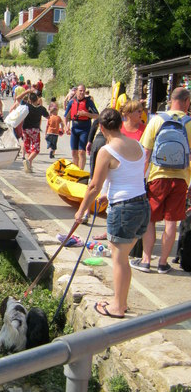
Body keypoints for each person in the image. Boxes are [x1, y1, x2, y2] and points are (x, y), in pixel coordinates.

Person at [75, 108, 150, 318]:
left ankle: (117, 306)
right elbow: (131, 173)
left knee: (119, 259)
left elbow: (94, 186)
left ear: (101, 127)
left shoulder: (106, 151)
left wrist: (81, 211)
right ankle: (121, 301)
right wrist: (110, 193)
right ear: (120, 124)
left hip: (124, 209)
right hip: (142, 205)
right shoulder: (136, 144)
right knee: (123, 259)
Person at [130, 87, 191, 274]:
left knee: (151, 220)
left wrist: (139, 178)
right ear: (187, 101)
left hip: (157, 177)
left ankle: (147, 260)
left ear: (170, 100)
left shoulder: (156, 120)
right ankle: (163, 263)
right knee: (171, 222)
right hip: (181, 179)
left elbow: (145, 152)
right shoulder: (190, 123)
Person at [64, 84, 99, 170]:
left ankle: (81, 171)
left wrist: (86, 114)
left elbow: (97, 116)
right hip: (74, 128)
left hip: (85, 129)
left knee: (81, 152)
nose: (82, 92)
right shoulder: (72, 102)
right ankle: (76, 170)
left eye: (83, 91)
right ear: (76, 91)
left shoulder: (89, 102)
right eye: (80, 91)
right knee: (73, 152)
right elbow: (65, 116)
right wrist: (66, 126)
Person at [20, 92, 49, 172]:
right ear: (37, 99)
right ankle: (28, 161)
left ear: (29, 100)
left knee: (28, 147)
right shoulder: (41, 108)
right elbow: (48, 116)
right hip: (34, 130)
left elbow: (18, 99)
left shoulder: (27, 106)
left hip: (25, 129)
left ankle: (29, 167)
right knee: (36, 149)